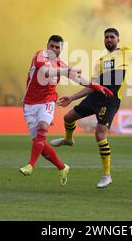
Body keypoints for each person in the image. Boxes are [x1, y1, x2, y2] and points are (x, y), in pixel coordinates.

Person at [51, 28, 132, 188]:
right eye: (106, 37)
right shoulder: (100, 60)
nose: (108, 39)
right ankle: (68, 139)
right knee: (68, 118)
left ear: (118, 39)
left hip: (110, 100)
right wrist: (71, 98)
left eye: (111, 37)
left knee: (100, 135)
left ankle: (106, 175)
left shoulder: (126, 51)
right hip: (95, 96)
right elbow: (92, 86)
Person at [19, 35, 113, 185]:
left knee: (43, 128)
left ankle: (30, 165)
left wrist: (96, 86)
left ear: (61, 49)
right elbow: (46, 72)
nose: (54, 49)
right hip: (29, 104)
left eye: (57, 47)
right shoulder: (40, 55)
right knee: (39, 143)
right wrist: (68, 70)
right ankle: (62, 167)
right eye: (52, 46)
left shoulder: (61, 64)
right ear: (47, 46)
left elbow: (78, 78)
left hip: (47, 101)